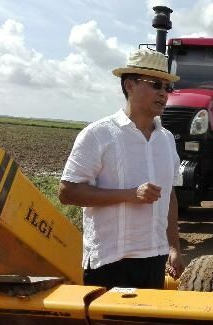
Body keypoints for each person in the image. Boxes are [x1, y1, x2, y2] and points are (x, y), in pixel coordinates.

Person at [58, 48, 184, 289]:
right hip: (109, 261)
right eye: (156, 84)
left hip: (154, 260)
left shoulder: (167, 140)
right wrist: (129, 194)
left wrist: (173, 247)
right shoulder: (98, 135)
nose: (163, 93)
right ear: (129, 85)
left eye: (167, 87)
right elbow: (67, 192)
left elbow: (170, 196)